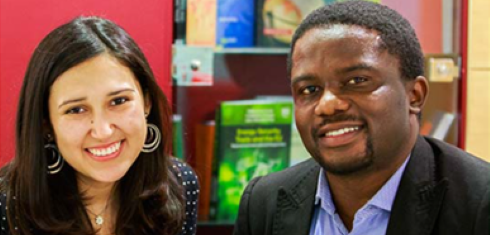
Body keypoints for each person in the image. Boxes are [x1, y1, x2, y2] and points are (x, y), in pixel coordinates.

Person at [233, 1, 489, 235]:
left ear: (415, 95)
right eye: (309, 90)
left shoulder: (479, 202)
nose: (328, 105)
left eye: (357, 81)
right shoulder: (264, 201)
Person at [0, 16, 198, 235]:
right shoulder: (6, 205)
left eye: (119, 101)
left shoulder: (180, 184)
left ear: (147, 102)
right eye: (76, 110)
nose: (102, 131)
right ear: (46, 125)